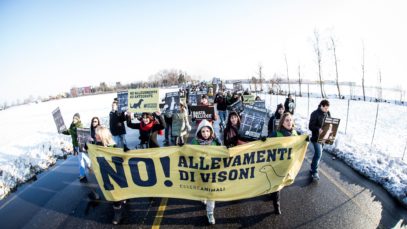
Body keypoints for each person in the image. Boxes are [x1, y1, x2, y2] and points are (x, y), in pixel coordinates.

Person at [268, 112, 303, 214]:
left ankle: (272, 194)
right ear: (282, 122)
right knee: (277, 186)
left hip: (288, 166)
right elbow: (266, 144)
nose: (289, 122)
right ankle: (276, 204)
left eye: (290, 120)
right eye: (286, 120)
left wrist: (306, 139)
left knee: (281, 183)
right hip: (277, 165)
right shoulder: (276, 134)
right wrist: (264, 140)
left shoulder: (296, 134)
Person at [191, 119, 221, 225]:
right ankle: (202, 196)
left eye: (207, 131)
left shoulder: (215, 142)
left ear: (211, 131)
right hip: (199, 172)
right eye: (203, 131)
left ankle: (210, 212)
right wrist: (182, 147)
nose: (205, 134)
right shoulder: (194, 142)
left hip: (212, 173)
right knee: (201, 188)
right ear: (199, 132)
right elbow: (188, 154)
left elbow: (223, 154)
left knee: (211, 193)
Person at [94, 126, 124, 225]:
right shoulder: (96, 145)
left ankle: (117, 213)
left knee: (116, 194)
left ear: (102, 136)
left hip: (115, 174)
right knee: (110, 191)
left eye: (97, 134)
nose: (95, 136)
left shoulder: (114, 146)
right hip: (104, 174)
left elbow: (122, 158)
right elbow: (86, 149)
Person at [62, 113, 90, 183]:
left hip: (80, 145)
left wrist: (77, 135)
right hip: (75, 144)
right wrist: (62, 131)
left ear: (79, 119)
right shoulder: (72, 124)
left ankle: (82, 174)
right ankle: (90, 163)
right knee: (82, 156)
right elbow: (69, 132)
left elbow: (81, 135)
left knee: (80, 160)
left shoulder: (80, 126)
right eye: (73, 118)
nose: (74, 119)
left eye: (76, 118)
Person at [309, 99, 331, 181]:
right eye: (325, 108)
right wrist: (318, 129)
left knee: (318, 154)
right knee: (319, 154)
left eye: (328, 108)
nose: (327, 110)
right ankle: (314, 172)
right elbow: (310, 126)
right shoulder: (315, 114)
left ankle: (312, 167)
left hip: (324, 137)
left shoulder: (328, 113)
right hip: (316, 138)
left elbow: (330, 122)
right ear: (321, 106)